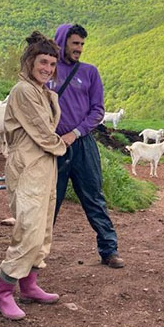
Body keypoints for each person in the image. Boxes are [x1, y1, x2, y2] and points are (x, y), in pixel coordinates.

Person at [0, 32, 68, 320]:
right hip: (27, 164)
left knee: (44, 226)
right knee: (28, 227)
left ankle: (30, 284)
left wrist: (56, 148)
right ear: (28, 62)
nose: (47, 68)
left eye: (52, 64)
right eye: (43, 62)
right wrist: (65, 144)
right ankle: (4, 293)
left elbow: (46, 131)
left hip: (45, 164)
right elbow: (42, 132)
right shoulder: (23, 91)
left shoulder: (43, 92)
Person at [50, 24, 124, 268]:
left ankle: (109, 249)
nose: (79, 49)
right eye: (75, 44)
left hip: (82, 145)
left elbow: (97, 111)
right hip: (52, 147)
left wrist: (75, 132)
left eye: (82, 44)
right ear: (62, 42)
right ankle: (37, 253)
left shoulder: (90, 72)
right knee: (50, 200)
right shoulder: (47, 70)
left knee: (93, 197)